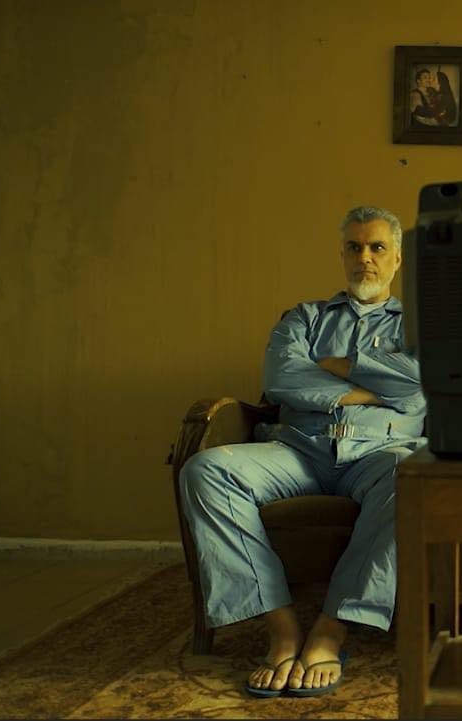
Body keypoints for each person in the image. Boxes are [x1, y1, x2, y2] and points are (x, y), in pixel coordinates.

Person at [178, 206, 426, 698]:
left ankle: (332, 629)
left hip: (382, 451)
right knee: (204, 470)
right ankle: (282, 627)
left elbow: (424, 382)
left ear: (397, 258)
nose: (365, 257)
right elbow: (283, 378)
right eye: (354, 247)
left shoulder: (421, 326)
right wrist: (374, 390)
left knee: (412, 478)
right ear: (342, 255)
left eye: (377, 247)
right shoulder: (305, 318)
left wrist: (340, 365)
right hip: (298, 450)